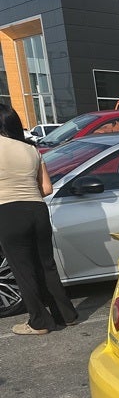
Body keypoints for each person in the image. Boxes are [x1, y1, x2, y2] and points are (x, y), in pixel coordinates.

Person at [0, 104, 78, 335]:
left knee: (23, 270)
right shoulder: (32, 149)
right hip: (37, 209)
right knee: (47, 265)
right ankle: (66, 314)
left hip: (8, 212)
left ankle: (39, 322)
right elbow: (46, 188)